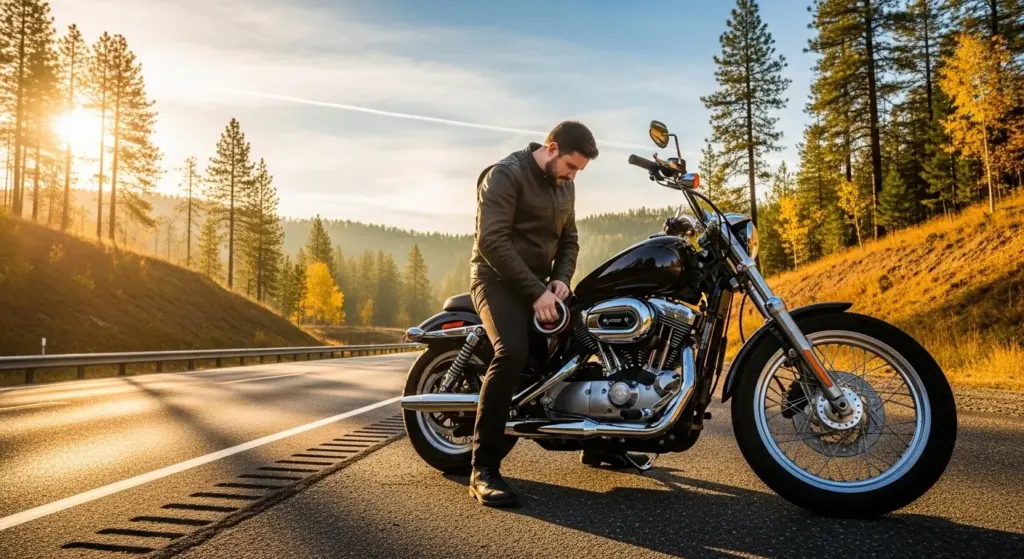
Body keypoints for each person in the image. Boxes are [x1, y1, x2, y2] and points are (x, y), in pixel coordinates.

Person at [467, 121, 599, 507]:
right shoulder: (504, 175)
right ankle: (483, 469)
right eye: (571, 167)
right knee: (512, 352)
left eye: (578, 171)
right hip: (494, 280)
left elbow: (570, 239)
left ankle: (604, 442)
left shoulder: (565, 185)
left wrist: (559, 280)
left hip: (540, 284)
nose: (573, 176)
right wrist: (537, 292)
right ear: (552, 148)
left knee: (588, 337)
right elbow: (491, 241)